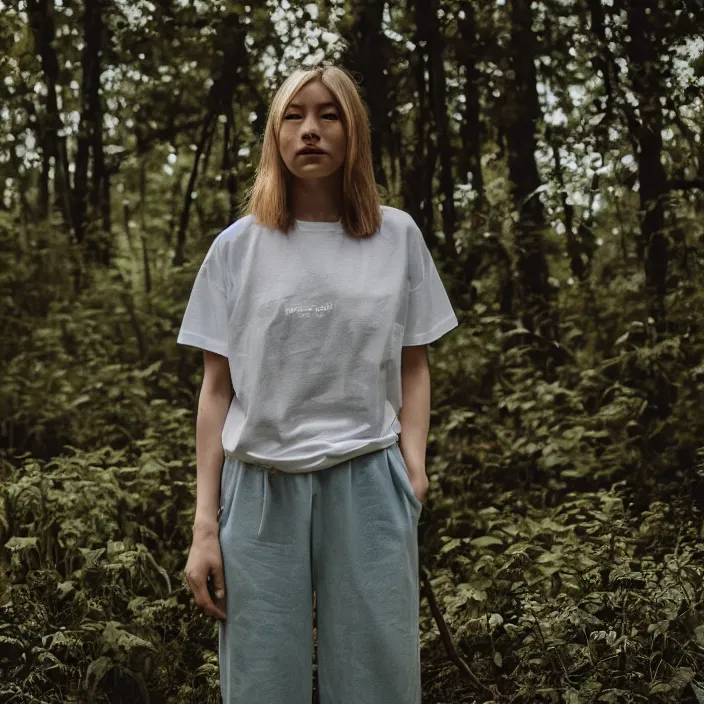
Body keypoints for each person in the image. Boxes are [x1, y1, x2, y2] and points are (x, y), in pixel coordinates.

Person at [177, 63, 459, 704]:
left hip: (368, 478)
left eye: (328, 114)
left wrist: (411, 464)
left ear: (352, 131)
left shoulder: (397, 236)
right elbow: (215, 391)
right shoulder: (237, 247)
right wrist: (203, 526)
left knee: (377, 680)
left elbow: (415, 364)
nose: (311, 130)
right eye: (294, 116)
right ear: (275, 134)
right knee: (260, 683)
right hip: (259, 490)